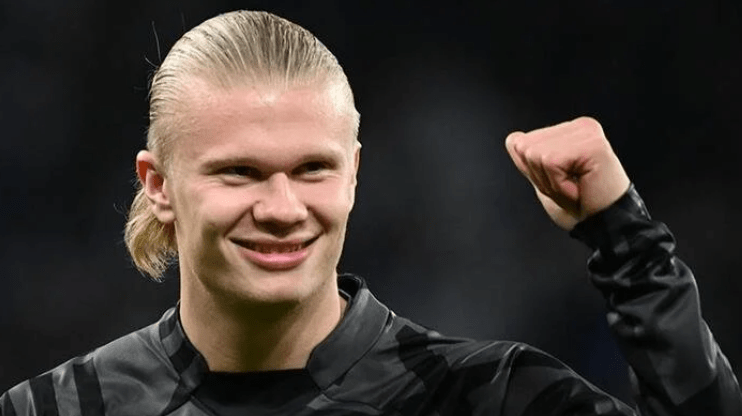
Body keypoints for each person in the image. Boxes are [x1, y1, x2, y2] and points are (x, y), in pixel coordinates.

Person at [1, 10, 740, 416]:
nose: (283, 208)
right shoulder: (59, 408)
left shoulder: (485, 396)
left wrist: (626, 238)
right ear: (159, 185)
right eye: (240, 172)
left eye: (313, 169)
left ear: (354, 174)